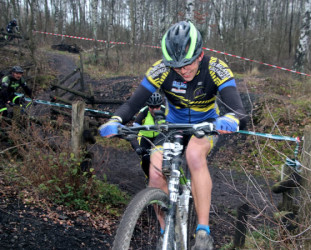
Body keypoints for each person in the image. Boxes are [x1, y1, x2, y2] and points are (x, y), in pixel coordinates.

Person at [99, 21, 247, 249]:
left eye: (187, 64)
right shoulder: (160, 69)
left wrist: (231, 119)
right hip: (173, 125)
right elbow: (133, 102)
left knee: (195, 155)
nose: (182, 70)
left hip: (205, 124)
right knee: (156, 173)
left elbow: (237, 109)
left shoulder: (217, 68)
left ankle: (203, 232)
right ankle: (165, 232)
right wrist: (116, 119)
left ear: (200, 55)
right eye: (176, 67)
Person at [130, 92, 166, 178]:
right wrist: (137, 147)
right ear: (148, 106)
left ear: (160, 105)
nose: (154, 109)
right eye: (151, 107)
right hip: (145, 138)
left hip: (159, 137)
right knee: (145, 158)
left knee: (164, 156)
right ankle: (149, 178)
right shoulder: (143, 113)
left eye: (157, 106)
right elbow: (132, 133)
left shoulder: (166, 112)